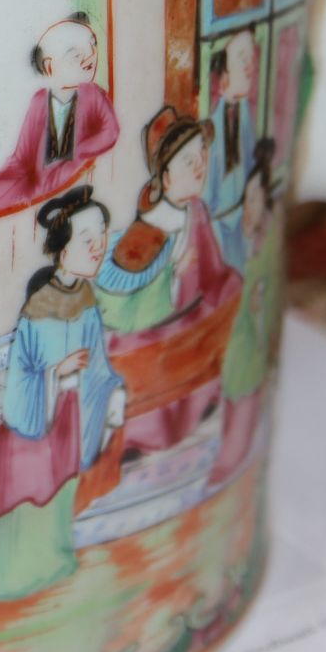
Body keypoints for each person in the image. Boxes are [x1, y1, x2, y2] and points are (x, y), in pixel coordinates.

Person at [0, 187, 128, 602]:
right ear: (62, 250)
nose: (98, 248)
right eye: (87, 240)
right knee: (30, 498)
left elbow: (98, 364)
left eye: (102, 236)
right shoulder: (38, 307)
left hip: (71, 411)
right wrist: (55, 375)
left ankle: (56, 562)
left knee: (60, 493)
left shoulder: (87, 300)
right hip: (35, 415)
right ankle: (12, 579)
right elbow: (22, 371)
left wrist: (111, 393)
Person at [99, 106, 241, 454]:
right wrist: (170, 278)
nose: (199, 167)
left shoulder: (197, 213)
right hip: (150, 329)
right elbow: (122, 307)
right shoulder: (148, 232)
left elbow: (215, 274)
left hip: (190, 317)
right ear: (164, 177)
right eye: (187, 161)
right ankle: (142, 433)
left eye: (201, 157)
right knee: (149, 360)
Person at [0, 14, 119, 215]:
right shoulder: (39, 102)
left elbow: (111, 131)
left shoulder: (93, 95)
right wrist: (2, 182)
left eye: (93, 46)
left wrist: (80, 151)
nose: (90, 57)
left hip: (76, 175)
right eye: (75, 55)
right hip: (42, 179)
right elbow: (22, 156)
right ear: (49, 67)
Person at [208, 140, 283, 486]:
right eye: (246, 200)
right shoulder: (246, 239)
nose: (248, 208)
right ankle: (230, 454)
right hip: (240, 331)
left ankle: (234, 457)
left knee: (245, 391)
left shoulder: (264, 243)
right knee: (234, 389)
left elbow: (260, 283)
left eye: (253, 199)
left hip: (249, 332)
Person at [206, 29, 260, 258]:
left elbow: (249, 158)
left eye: (250, 59)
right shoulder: (212, 123)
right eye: (241, 59)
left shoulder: (245, 112)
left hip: (241, 213)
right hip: (218, 220)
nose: (249, 66)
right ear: (224, 74)